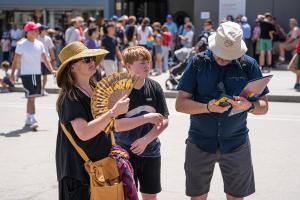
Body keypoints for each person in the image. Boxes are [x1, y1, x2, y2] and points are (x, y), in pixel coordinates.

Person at [175, 21, 269, 200]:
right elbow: (180, 104)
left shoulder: (249, 65)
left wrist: (248, 106)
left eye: (229, 55)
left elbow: (264, 107)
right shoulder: (198, 63)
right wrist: (207, 107)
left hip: (236, 144)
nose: (224, 58)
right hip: (199, 142)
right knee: (198, 197)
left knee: (236, 197)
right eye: (220, 53)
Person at [55, 41, 130, 199]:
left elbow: (109, 125)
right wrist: (112, 112)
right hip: (78, 174)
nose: (92, 61)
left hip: (102, 167)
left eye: (92, 58)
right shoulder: (70, 96)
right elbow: (83, 132)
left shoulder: (95, 89)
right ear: (72, 66)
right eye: (86, 59)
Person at [115, 46, 169, 200]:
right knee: (126, 196)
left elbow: (164, 120)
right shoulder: (119, 90)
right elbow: (117, 125)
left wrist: (146, 140)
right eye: (141, 63)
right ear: (128, 66)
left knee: (150, 196)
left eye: (148, 62)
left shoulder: (155, 87)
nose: (147, 66)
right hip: (124, 153)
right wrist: (146, 118)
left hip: (151, 151)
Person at [11, 21, 56, 129]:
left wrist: (52, 69)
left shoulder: (40, 44)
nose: (37, 32)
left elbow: (45, 58)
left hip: (36, 74)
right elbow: (15, 61)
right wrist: (12, 74)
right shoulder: (21, 45)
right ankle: (33, 118)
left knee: (31, 98)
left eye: (37, 30)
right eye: (34, 30)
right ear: (28, 32)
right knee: (31, 97)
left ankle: (28, 117)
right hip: (26, 74)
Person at [38, 25, 56, 95]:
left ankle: (43, 89)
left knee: (45, 76)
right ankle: (38, 89)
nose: (46, 31)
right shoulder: (36, 38)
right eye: (45, 30)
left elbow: (51, 50)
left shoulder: (48, 39)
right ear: (41, 31)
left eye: (46, 30)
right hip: (38, 60)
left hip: (46, 60)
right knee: (38, 76)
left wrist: (53, 59)